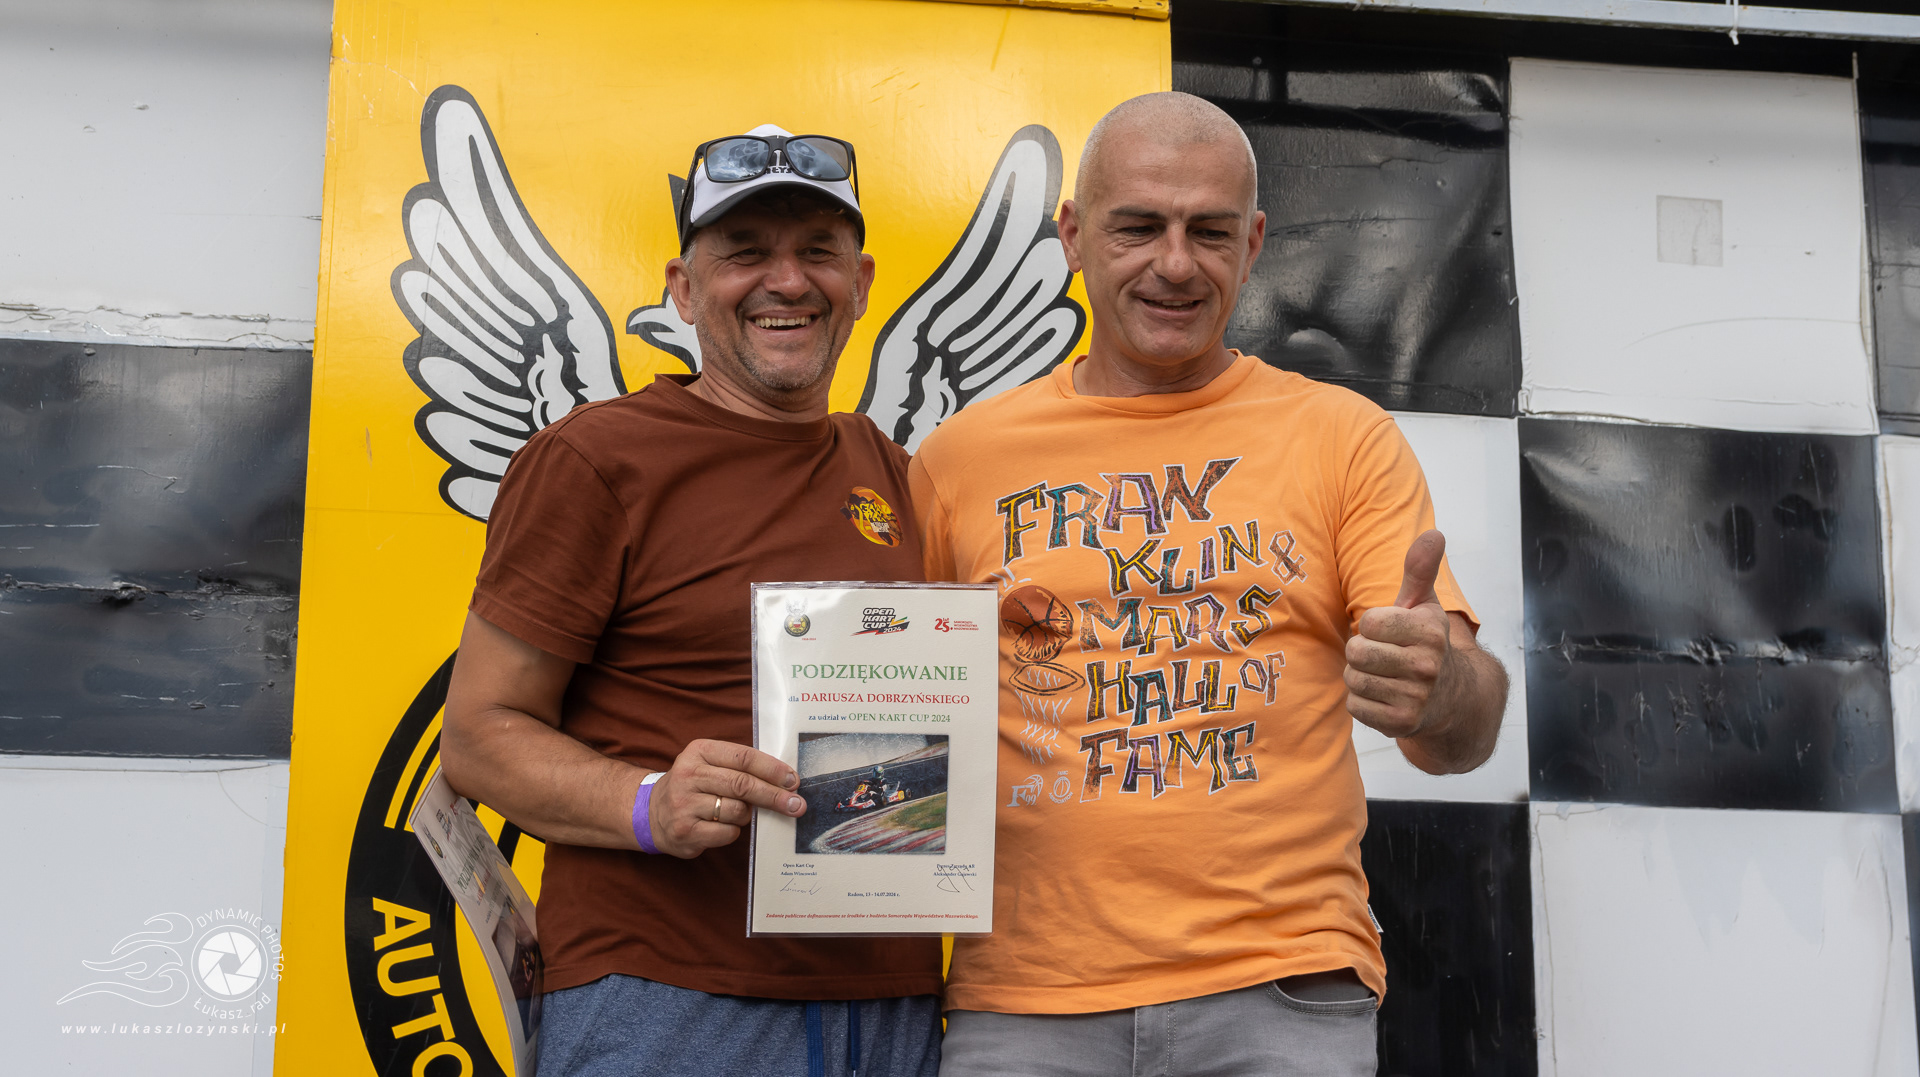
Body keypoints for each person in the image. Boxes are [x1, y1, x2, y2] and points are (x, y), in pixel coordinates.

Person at [909, 92, 1509, 1076]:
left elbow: (1464, 736)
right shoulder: (958, 461)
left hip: (1279, 992)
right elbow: (899, 718)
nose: (1177, 263)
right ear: (1072, 235)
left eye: (1210, 232)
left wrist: (1440, 686)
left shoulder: (1341, 438)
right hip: (1026, 1005)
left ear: (1255, 242)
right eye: (1139, 226)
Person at [441, 124, 942, 1077]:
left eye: (817, 252)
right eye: (744, 252)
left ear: (862, 280)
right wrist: (647, 804)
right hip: (667, 999)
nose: (786, 281)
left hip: (890, 1000)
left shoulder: (892, 469)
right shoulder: (597, 459)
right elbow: (476, 735)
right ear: (681, 286)